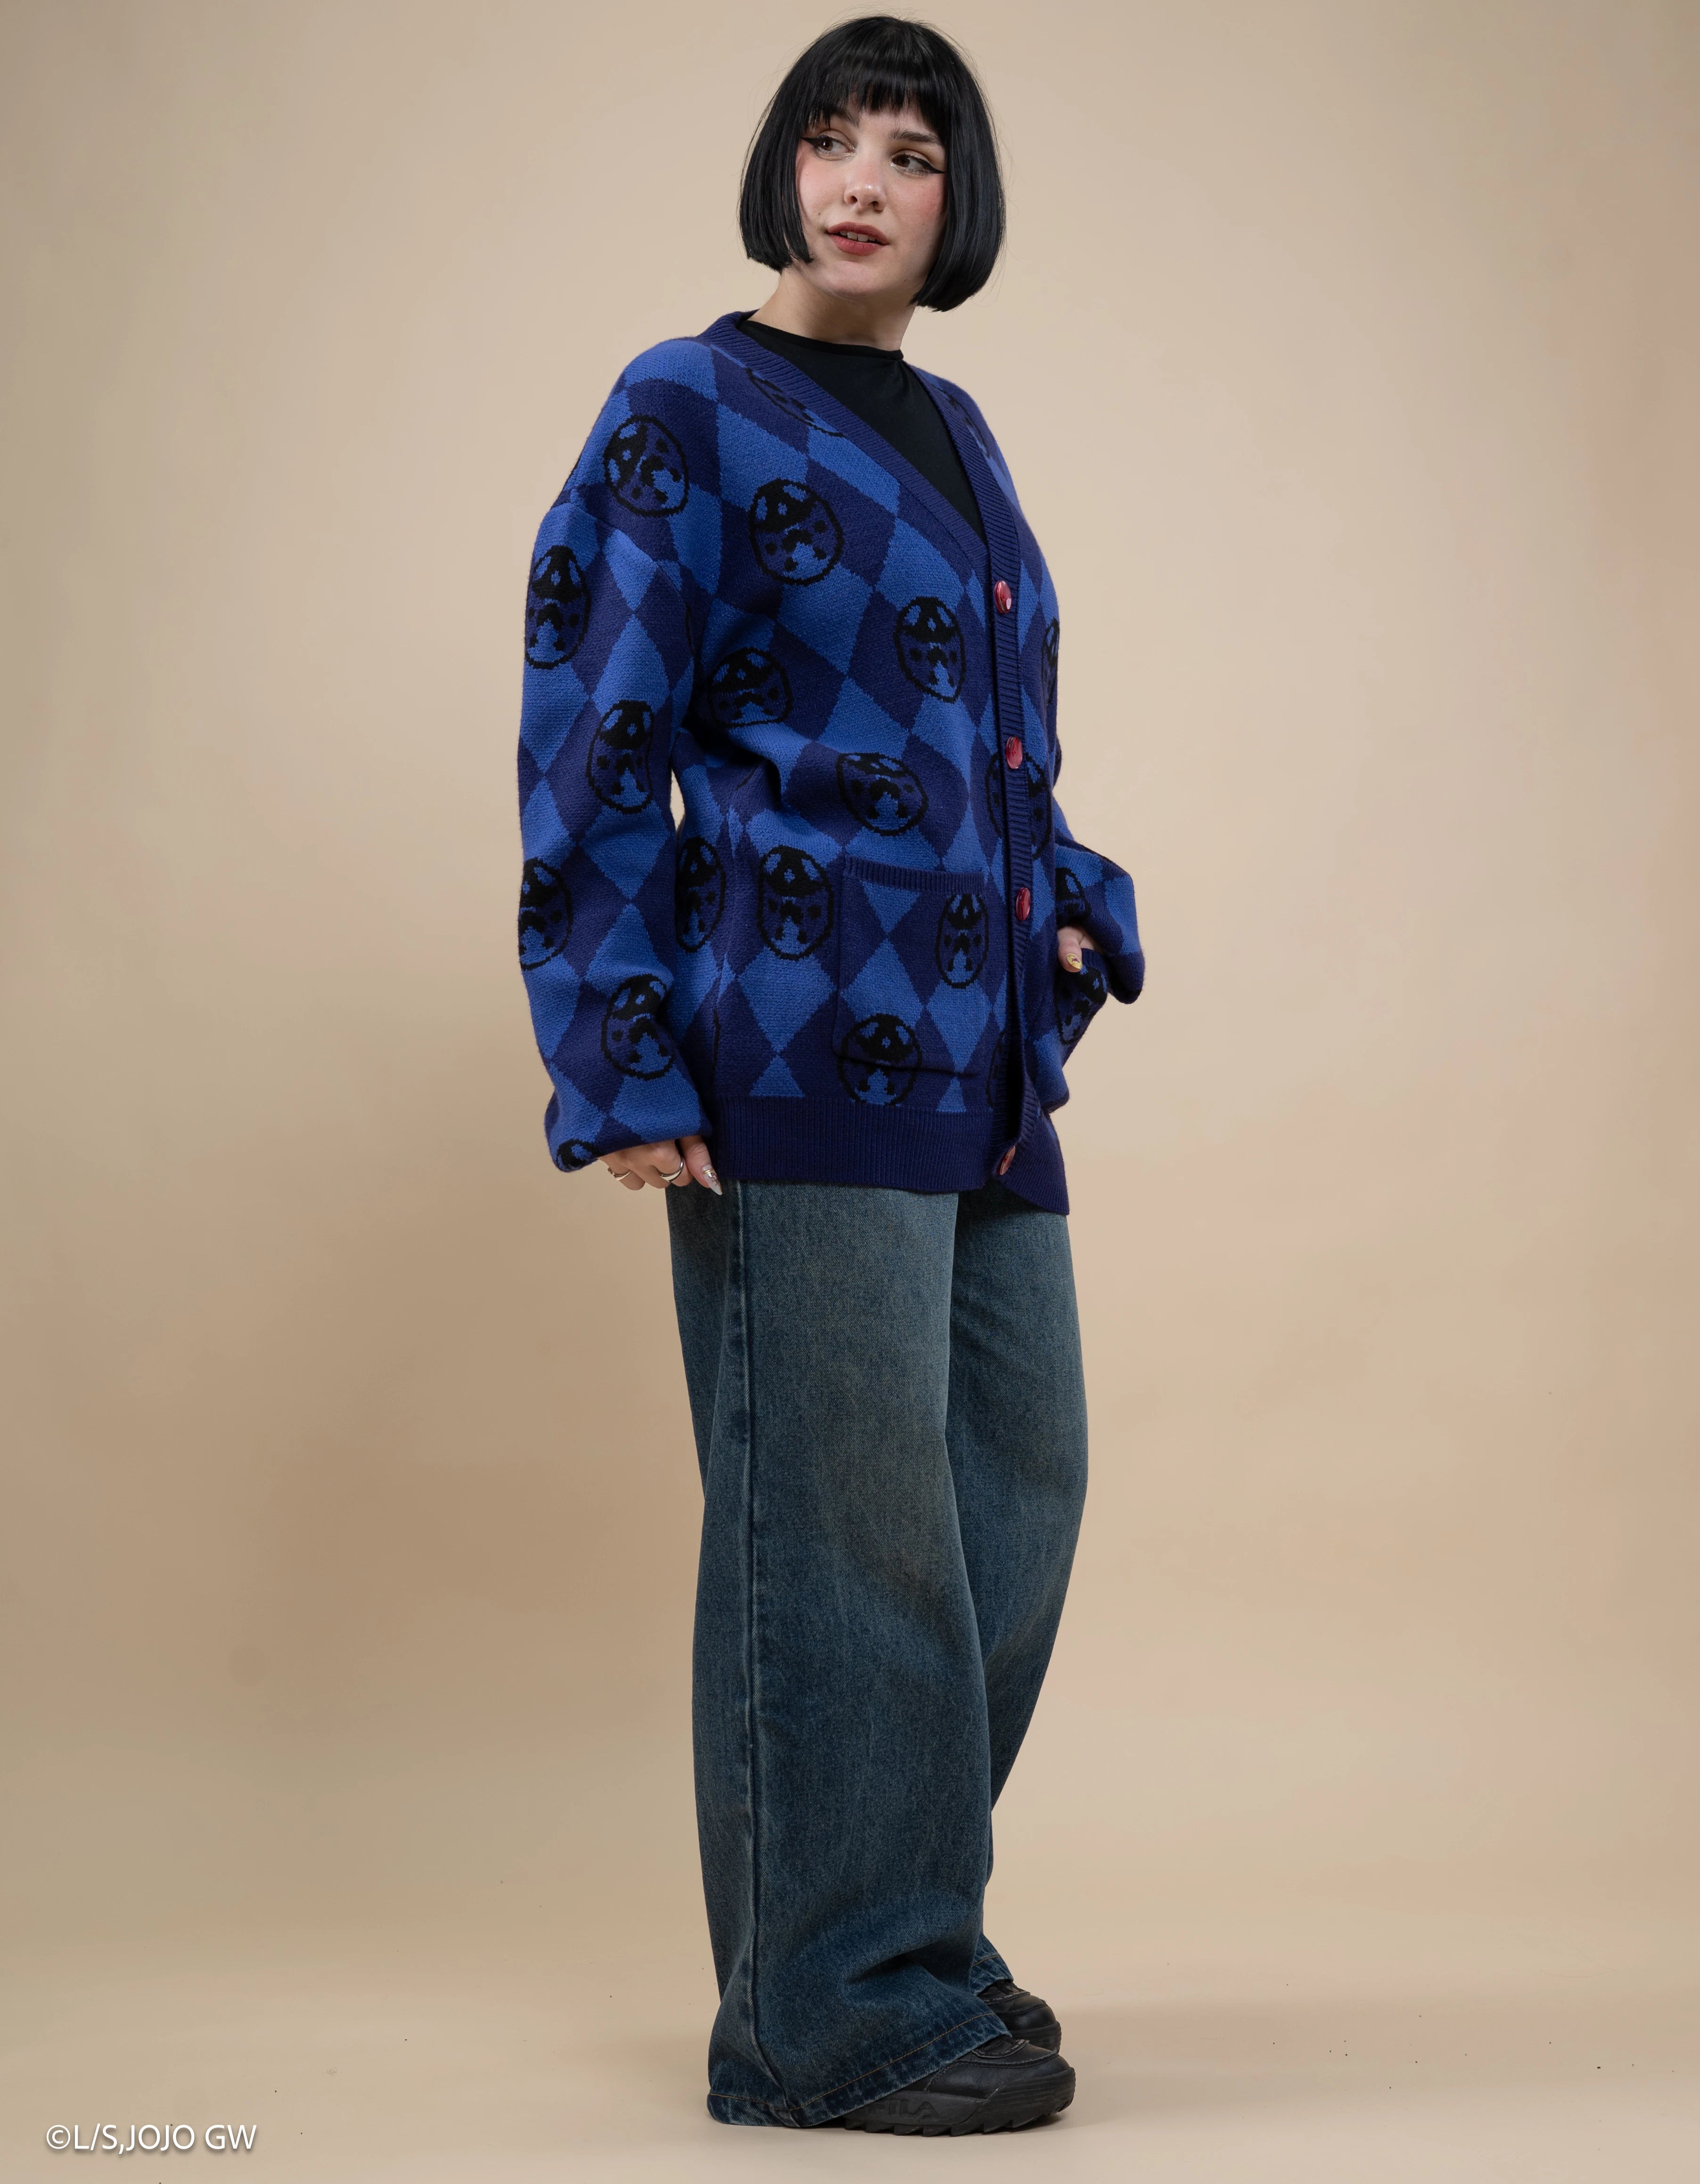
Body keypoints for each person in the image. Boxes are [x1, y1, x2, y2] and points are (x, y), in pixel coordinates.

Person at [515, 15, 1143, 2136]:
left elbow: (994, 744)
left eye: (913, 152)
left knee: (1011, 1498)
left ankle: (892, 1929)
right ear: (780, 170)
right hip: (785, 1043)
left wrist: (1069, 899)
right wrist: (619, 1046)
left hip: (977, 1055)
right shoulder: (685, 407)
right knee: (843, 1524)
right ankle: (828, 2004)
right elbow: (594, 718)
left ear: (962, 202)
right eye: (829, 138)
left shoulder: (957, 426)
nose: (863, 181)